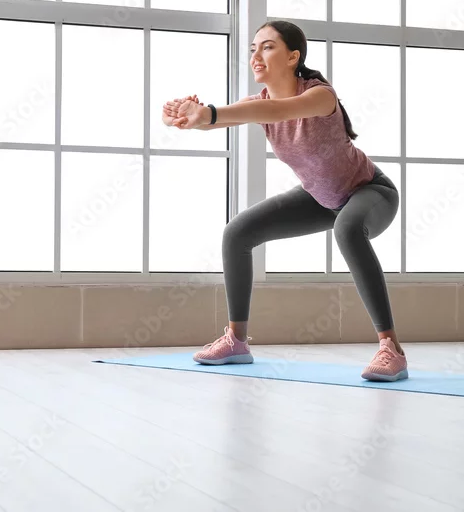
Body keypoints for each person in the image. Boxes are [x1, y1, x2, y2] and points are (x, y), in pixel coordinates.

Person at [160, 20, 405, 382]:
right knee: (238, 233)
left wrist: (207, 113)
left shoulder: (320, 95)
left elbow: (277, 112)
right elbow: (219, 119)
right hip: (320, 197)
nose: (256, 55)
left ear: (293, 57)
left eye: (268, 47)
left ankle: (391, 349)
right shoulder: (257, 104)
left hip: (370, 192)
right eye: (253, 49)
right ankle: (236, 342)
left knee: (348, 228)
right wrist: (184, 116)